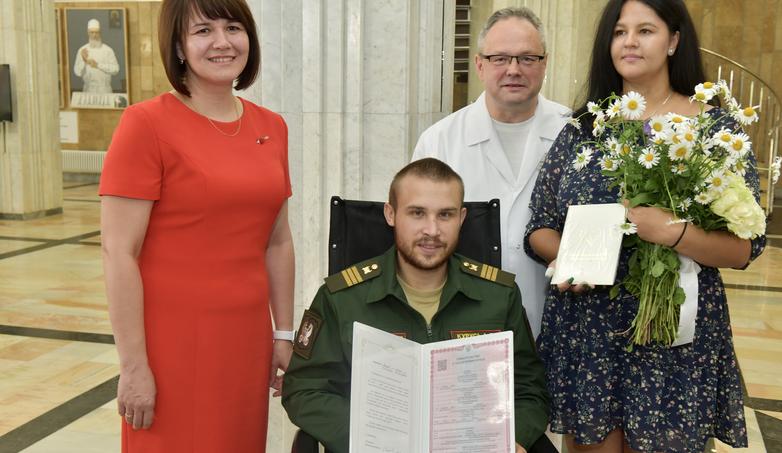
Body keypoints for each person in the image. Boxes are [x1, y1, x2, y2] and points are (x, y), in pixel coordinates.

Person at [524, 1, 765, 452]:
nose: (629, 42)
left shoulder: (713, 131)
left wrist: (672, 232)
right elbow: (539, 226)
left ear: (674, 40)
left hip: (673, 338)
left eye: (645, 30)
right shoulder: (584, 128)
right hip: (589, 330)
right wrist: (570, 258)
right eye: (619, 32)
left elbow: (743, 249)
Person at [99, 0, 294, 451]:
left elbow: (278, 241)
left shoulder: (272, 127)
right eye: (203, 31)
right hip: (173, 345)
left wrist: (282, 333)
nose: (222, 42)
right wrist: (133, 366)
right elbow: (118, 252)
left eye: (233, 28)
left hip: (245, 340)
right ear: (178, 47)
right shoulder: (145, 124)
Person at [282, 158, 549, 453]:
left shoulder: (499, 296)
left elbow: (530, 391)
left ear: (461, 218)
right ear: (391, 214)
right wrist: (369, 438)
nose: (431, 230)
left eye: (445, 214)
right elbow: (304, 390)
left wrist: (514, 440)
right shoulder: (341, 298)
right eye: (417, 213)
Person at [413, 7, 570, 337]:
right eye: (500, 58)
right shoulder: (439, 141)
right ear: (480, 65)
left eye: (527, 58)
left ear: (545, 63)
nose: (514, 69)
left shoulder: (575, 132)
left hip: (561, 319)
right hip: (465, 326)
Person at [73, 19, 120, 93]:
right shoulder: (82, 50)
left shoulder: (108, 50)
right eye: (92, 32)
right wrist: (84, 61)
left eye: (96, 32)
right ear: (88, 33)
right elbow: (78, 72)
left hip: (105, 90)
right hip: (88, 90)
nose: (94, 35)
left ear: (100, 33)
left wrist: (97, 65)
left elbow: (115, 69)